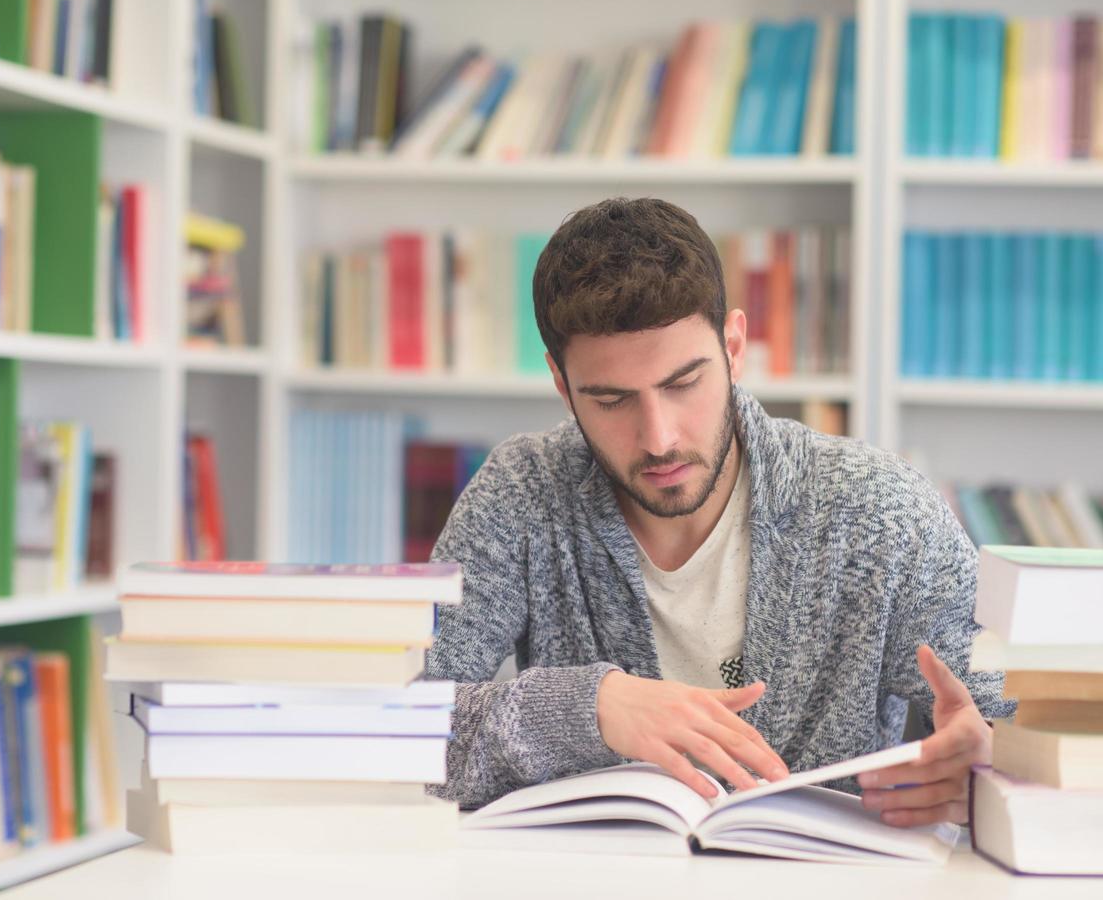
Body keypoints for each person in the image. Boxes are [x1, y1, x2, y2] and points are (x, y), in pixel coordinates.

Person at [424, 197, 1015, 827]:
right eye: (612, 400)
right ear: (563, 386)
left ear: (734, 347)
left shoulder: (879, 510)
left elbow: (1024, 728)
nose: (659, 438)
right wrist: (588, 709)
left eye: (683, 385)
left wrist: (994, 762)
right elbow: (398, 728)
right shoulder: (521, 497)